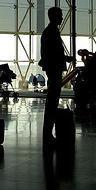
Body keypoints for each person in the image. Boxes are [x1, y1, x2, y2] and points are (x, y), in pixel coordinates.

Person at [39, 7, 75, 146]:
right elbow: (54, 54)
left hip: (52, 68)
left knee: (52, 102)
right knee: (52, 102)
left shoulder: (50, 31)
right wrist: (65, 59)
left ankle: (47, 134)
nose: (61, 18)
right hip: (54, 69)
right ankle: (47, 135)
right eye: (60, 15)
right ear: (53, 16)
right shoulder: (52, 32)